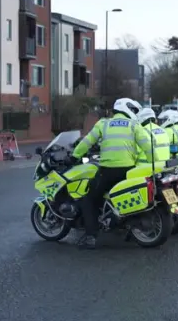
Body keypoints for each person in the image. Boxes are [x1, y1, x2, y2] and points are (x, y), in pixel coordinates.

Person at [69, 98, 153, 249]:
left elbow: (88, 141)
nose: (134, 113)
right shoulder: (134, 125)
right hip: (129, 170)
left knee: (88, 198)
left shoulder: (104, 123)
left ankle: (91, 236)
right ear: (126, 109)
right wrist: (157, 164)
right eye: (133, 110)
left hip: (107, 170)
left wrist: (75, 155)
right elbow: (147, 146)